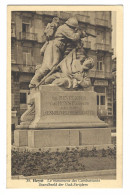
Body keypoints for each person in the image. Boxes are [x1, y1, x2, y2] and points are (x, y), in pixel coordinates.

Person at [29, 17, 81, 88]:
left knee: (53, 66)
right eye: (74, 28)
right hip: (54, 48)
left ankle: (44, 81)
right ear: (71, 26)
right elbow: (74, 37)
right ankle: (34, 80)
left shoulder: (63, 28)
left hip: (56, 48)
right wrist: (79, 33)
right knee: (48, 65)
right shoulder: (64, 28)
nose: (74, 29)